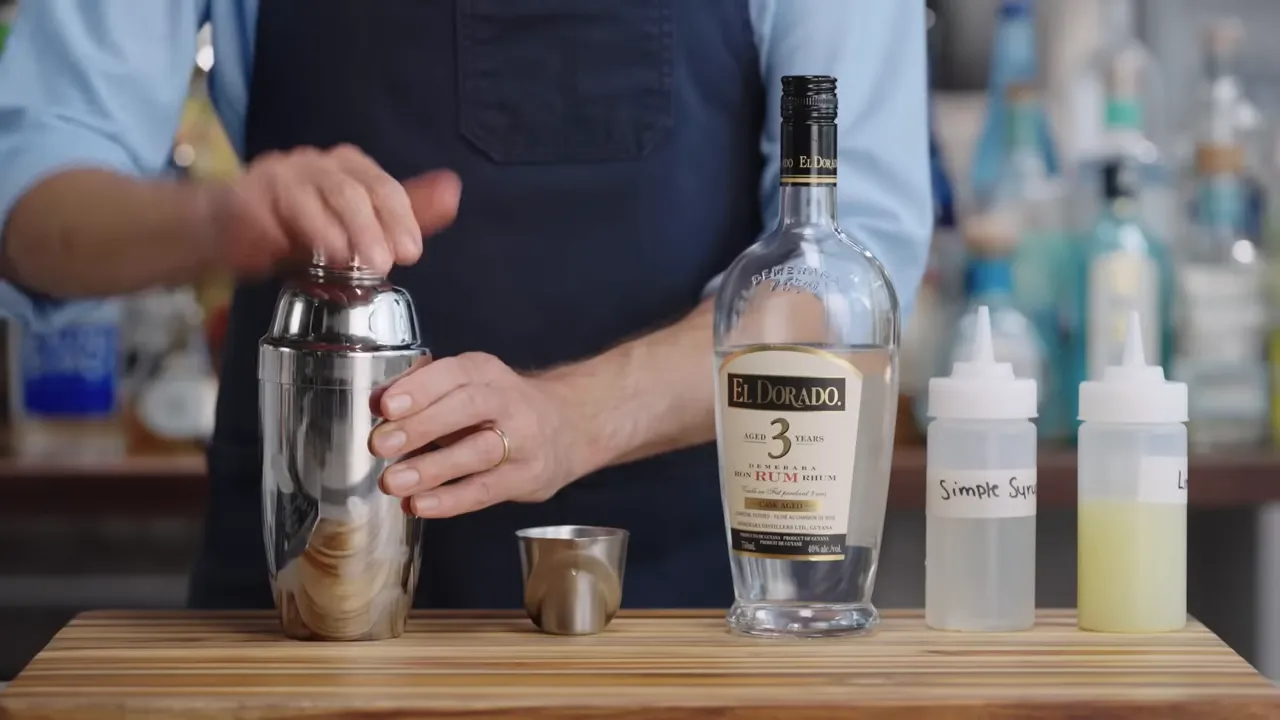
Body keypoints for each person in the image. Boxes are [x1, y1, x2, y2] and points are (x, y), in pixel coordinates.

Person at [0, 0, 932, 610]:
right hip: (308, 594)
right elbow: (29, 206)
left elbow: (851, 265)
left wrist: (576, 416)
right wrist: (215, 222)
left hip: (672, 607)